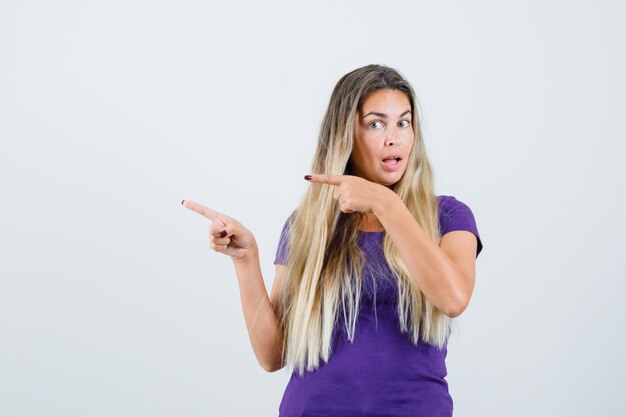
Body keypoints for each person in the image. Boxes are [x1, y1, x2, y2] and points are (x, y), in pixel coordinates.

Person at [182, 64, 483, 417]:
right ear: (345, 136)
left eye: (403, 122)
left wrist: (386, 204)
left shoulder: (447, 216)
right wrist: (245, 258)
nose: (394, 137)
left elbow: (453, 298)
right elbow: (271, 355)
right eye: (376, 124)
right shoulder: (307, 226)